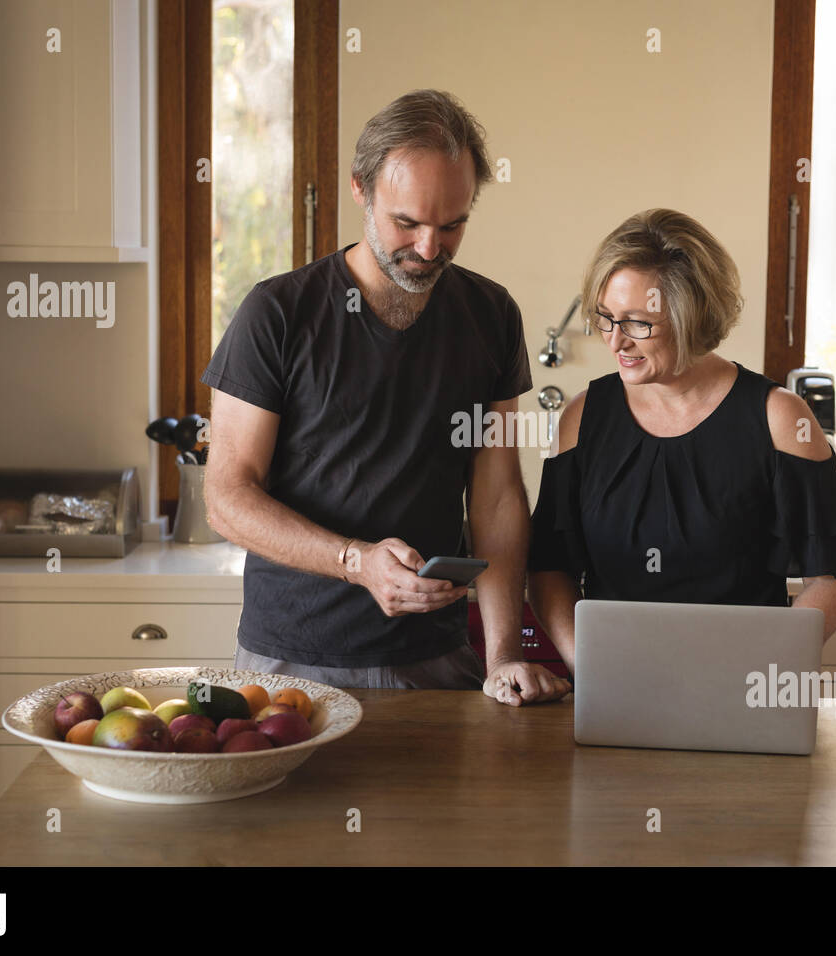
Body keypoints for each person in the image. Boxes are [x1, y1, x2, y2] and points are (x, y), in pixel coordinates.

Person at [202, 89, 570, 706]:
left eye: (452, 226)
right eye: (408, 222)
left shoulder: (491, 314)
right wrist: (356, 562)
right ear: (361, 190)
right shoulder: (277, 313)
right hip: (291, 661)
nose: (430, 249)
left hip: (439, 657)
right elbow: (227, 498)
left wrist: (504, 654)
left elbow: (499, 494)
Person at [527, 209, 836, 674]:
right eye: (605, 318)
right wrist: (588, 666)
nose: (616, 342)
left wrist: (762, 668)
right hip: (616, 686)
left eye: (638, 323)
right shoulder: (582, 418)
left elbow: (834, 578)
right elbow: (549, 569)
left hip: (744, 687)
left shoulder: (780, 419)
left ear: (694, 316)